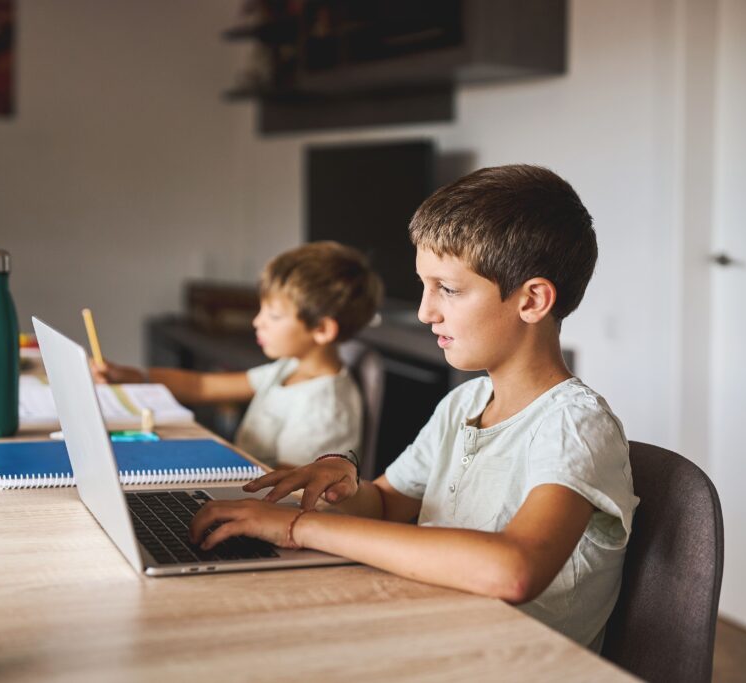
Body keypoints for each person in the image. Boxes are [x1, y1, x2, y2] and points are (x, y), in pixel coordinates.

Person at [188, 165, 639, 650]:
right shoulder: (463, 404)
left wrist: (302, 527)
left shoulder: (573, 424)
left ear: (531, 301)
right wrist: (344, 487)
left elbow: (514, 569)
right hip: (431, 635)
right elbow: (386, 502)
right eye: (425, 286)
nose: (426, 311)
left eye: (447, 288)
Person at [92, 241, 383, 469]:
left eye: (274, 315)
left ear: (321, 329)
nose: (257, 322)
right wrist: (133, 376)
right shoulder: (288, 368)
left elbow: (289, 490)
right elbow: (201, 386)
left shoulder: (325, 409)